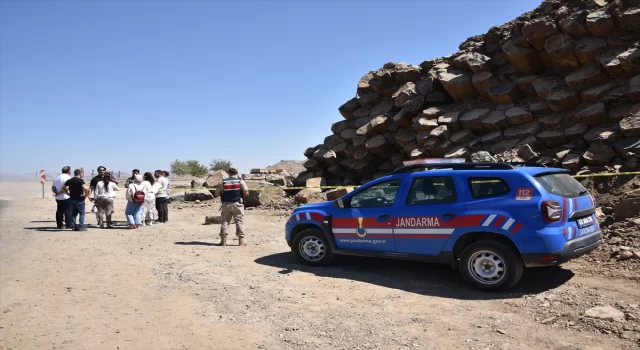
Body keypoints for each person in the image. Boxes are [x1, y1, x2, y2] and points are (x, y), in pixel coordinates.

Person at [215, 165, 249, 246]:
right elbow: (246, 192)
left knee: (225, 222)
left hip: (226, 204)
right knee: (239, 222)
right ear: (237, 172)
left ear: (228, 172)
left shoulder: (222, 182)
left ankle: (223, 241)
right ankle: (241, 241)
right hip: (237, 204)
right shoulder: (240, 181)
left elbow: (216, 193)